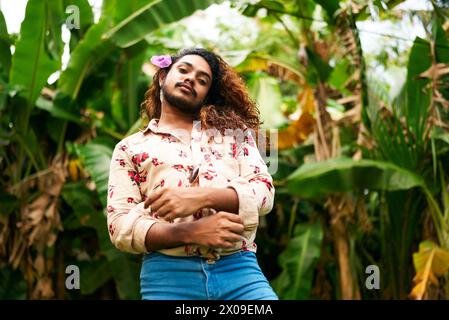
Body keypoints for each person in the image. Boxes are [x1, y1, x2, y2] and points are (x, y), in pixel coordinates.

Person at [106, 47, 278, 300]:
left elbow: (264, 192)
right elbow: (119, 227)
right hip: (167, 277)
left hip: (239, 270)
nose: (190, 79)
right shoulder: (130, 148)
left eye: (202, 80)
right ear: (163, 77)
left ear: (207, 94)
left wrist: (203, 197)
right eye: (184, 70)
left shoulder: (233, 136)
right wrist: (191, 232)